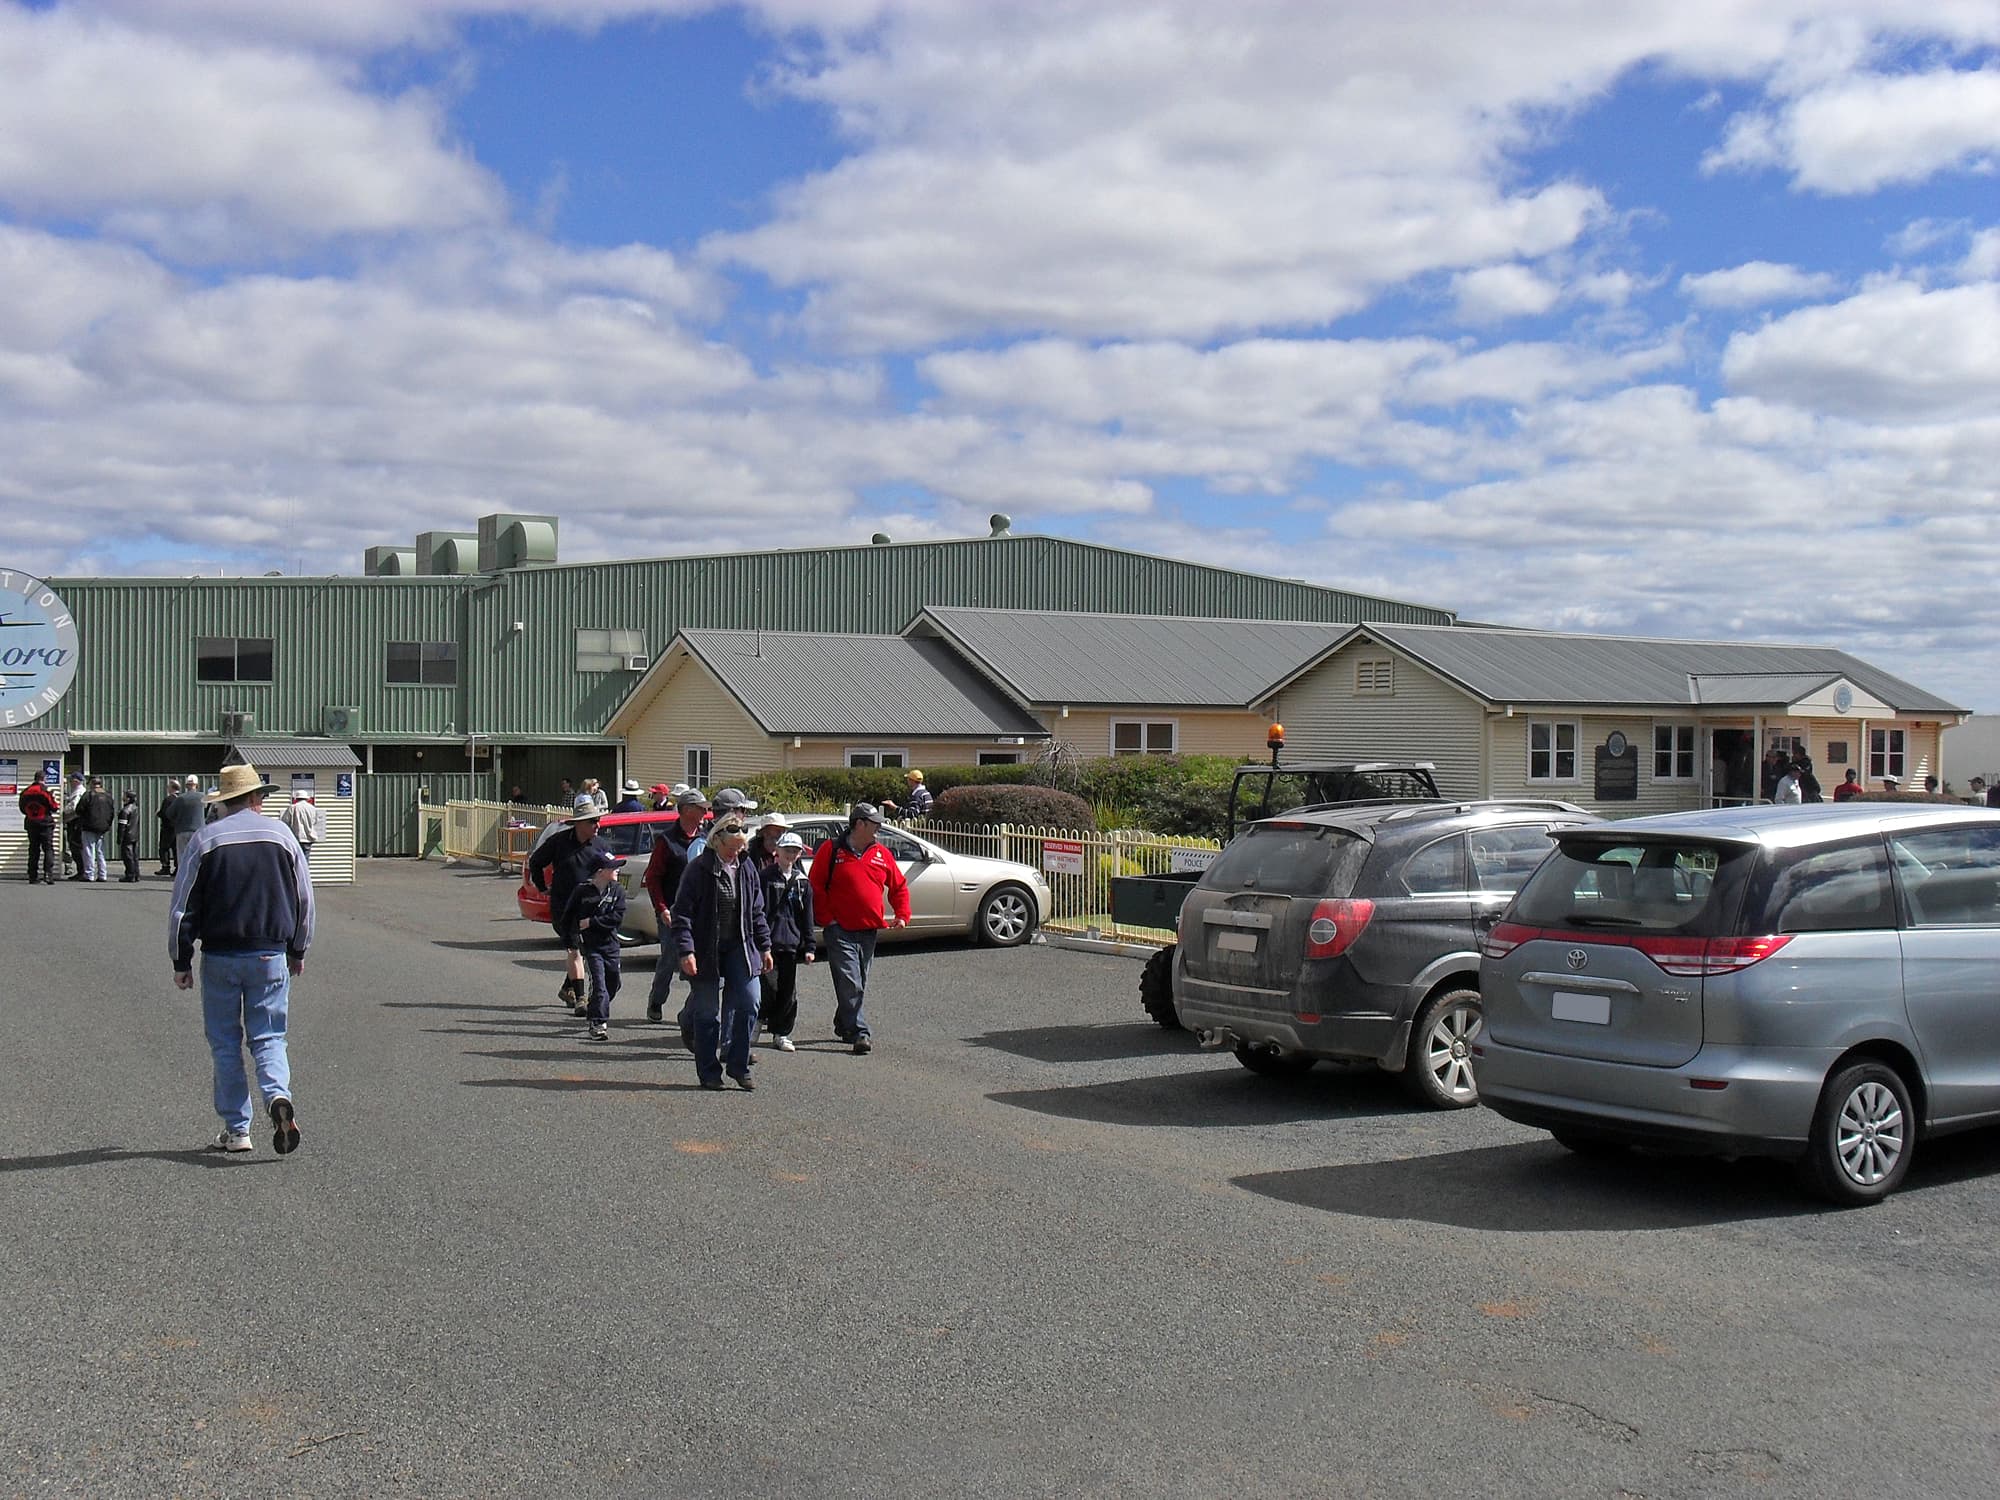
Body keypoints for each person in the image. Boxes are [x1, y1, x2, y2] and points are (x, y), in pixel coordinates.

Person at [168, 762, 313, 1156]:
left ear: (223, 802)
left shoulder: (205, 840)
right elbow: (304, 901)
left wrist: (181, 960)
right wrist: (298, 949)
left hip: (219, 954)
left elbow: (182, 907)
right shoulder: (283, 836)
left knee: (226, 1043)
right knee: (269, 1037)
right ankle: (277, 1098)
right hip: (270, 953)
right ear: (255, 798)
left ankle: (237, 1129)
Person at [671, 816, 773, 1090]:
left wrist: (764, 946)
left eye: (740, 848)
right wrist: (686, 951)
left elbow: (756, 911)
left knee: (750, 1002)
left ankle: (738, 1066)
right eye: (731, 848)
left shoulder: (747, 867)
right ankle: (709, 1072)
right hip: (706, 950)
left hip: (741, 946)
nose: (736, 853)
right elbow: (681, 914)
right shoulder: (697, 870)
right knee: (708, 1013)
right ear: (717, 842)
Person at [808, 802, 910, 1054]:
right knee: (851, 982)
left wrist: (902, 914)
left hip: (868, 930)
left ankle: (844, 1022)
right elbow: (816, 886)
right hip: (839, 930)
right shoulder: (831, 851)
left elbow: (898, 886)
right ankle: (860, 1032)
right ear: (859, 824)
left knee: (857, 982)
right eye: (874, 824)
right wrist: (827, 918)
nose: (878, 830)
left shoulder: (881, 853)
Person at [526, 797, 610, 1015]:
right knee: (574, 949)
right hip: (564, 907)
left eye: (598, 820)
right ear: (579, 823)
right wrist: (543, 886)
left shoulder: (600, 845)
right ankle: (581, 997)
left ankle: (567, 988)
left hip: (591, 908)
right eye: (592, 821)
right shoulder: (559, 842)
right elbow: (536, 861)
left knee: (583, 950)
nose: (597, 825)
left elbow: (612, 870)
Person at [643, 789, 709, 1029]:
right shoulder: (667, 841)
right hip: (671, 911)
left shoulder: (706, 839)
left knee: (698, 962)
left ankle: (693, 1009)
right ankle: (656, 1001)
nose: (705, 813)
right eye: (701, 808)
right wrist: (661, 909)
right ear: (687, 810)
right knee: (670, 959)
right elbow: (653, 877)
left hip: (698, 913)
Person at [562, 848, 628, 1041]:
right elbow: (568, 917)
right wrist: (571, 940)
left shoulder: (618, 891)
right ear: (600, 871)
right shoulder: (583, 891)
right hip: (592, 947)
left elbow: (617, 918)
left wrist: (592, 922)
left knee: (612, 983)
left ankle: (596, 1008)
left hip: (611, 945)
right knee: (599, 984)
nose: (617, 870)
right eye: (613, 867)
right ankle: (598, 1023)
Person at [758, 831, 816, 1052]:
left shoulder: (803, 883)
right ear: (777, 851)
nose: (790, 855)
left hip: (791, 944)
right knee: (769, 987)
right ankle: (760, 1019)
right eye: (787, 850)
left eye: (795, 851)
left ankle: (781, 1033)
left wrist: (809, 946)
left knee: (788, 991)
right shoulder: (765, 877)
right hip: (768, 943)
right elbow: (759, 910)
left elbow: (807, 916)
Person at [18, 775, 59, 885]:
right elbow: (54, 807)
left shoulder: (26, 791)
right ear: (43, 779)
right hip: (45, 823)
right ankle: (48, 875)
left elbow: (22, 808)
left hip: (31, 823)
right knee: (48, 849)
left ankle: (32, 876)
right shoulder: (45, 791)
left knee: (33, 850)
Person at [76, 776, 116, 881]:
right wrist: (107, 824)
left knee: (89, 850)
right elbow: (112, 813)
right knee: (100, 851)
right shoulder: (108, 796)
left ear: (91, 784)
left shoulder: (88, 795)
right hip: (103, 827)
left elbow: (79, 810)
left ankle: (89, 875)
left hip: (89, 826)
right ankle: (103, 874)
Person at [167, 775, 206, 869]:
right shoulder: (203, 797)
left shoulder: (180, 798)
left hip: (182, 831)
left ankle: (183, 876)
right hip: (198, 831)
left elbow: (169, 813)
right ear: (197, 785)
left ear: (186, 786)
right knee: (197, 855)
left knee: (182, 856)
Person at [281, 790, 325, 865]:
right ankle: (305, 875)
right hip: (308, 838)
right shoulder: (312, 808)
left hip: (295, 838)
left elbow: (285, 821)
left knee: (295, 861)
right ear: (306, 798)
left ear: (296, 798)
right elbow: (315, 822)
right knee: (305, 860)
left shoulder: (292, 808)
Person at [63, 772, 87, 879]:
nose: (70, 782)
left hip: (75, 822)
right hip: (76, 822)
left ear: (75, 781)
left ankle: (81, 871)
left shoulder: (78, 792)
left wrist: (62, 811)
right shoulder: (79, 791)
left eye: (71, 780)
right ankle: (82, 870)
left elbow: (73, 807)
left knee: (75, 846)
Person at [156, 779, 181, 876]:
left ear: (171, 788)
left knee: (164, 848)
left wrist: (158, 813)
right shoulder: (181, 798)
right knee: (176, 849)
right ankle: (177, 867)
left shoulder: (168, 800)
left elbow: (165, 813)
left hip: (167, 828)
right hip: (178, 828)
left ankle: (165, 866)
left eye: (168, 786)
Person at [117, 790, 142, 882]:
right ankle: (136, 874)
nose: (122, 797)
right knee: (134, 856)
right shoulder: (135, 808)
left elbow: (122, 826)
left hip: (127, 836)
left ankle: (130, 875)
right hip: (134, 835)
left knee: (127, 856)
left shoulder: (125, 811)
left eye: (124, 795)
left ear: (128, 798)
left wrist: (119, 838)